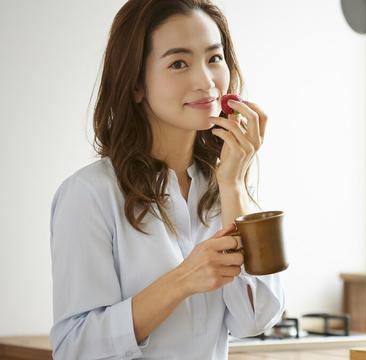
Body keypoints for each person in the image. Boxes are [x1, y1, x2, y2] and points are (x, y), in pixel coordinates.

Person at [49, 0, 285, 358]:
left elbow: (256, 320)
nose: (206, 81)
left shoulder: (224, 183)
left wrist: (234, 185)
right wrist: (183, 280)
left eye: (214, 58)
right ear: (135, 85)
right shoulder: (90, 194)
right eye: (178, 63)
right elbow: (73, 348)